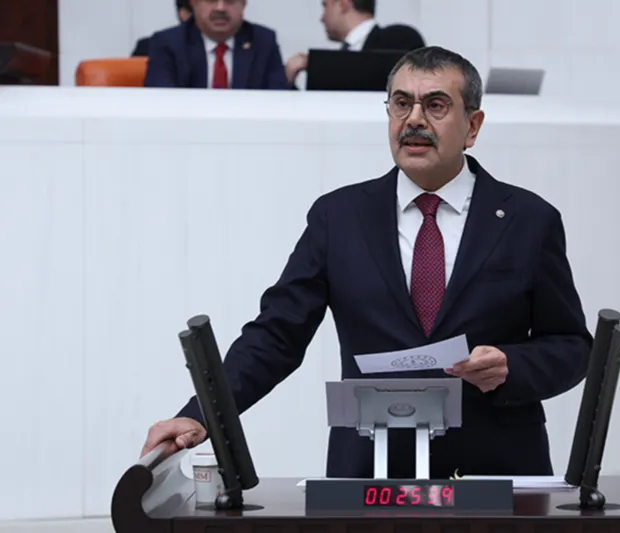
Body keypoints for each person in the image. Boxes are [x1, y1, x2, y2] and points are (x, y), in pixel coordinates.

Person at [141, 46, 592, 479]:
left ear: (472, 126)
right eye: (401, 104)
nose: (414, 119)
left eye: (436, 105)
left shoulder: (528, 220)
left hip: (496, 470)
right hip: (369, 476)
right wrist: (200, 413)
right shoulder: (339, 217)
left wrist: (513, 365)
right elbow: (276, 335)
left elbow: (572, 346)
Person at [143, 0, 290, 90]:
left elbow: (277, 101)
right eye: (211, 0)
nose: (220, 8)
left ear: (243, 4)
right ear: (194, 3)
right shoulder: (168, 43)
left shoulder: (263, 41)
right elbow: (161, 104)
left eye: (230, 1)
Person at [285, 0, 425, 87]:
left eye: (325, 5)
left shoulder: (400, 38)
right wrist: (288, 81)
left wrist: (319, 64)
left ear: (343, 4)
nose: (322, 18)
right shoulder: (342, 56)